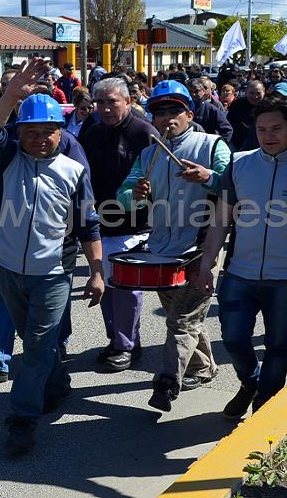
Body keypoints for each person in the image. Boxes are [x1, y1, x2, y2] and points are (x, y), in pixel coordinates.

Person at [0, 59, 104, 455]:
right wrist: (11, 95)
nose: (38, 139)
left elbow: (88, 225)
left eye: (47, 131)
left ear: (60, 132)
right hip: (7, 270)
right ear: (18, 135)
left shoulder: (73, 171)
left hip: (53, 274)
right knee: (34, 341)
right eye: (29, 132)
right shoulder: (5, 161)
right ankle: (57, 384)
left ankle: (22, 420)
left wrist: (97, 272)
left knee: (35, 346)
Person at [196, 97, 287, 418]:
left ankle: (265, 405)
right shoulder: (240, 163)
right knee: (232, 338)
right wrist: (207, 267)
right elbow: (220, 220)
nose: (268, 136)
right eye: (261, 129)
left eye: (276, 129)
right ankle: (251, 382)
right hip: (238, 276)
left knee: (278, 344)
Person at [117, 80, 232, 411]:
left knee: (182, 319)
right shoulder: (149, 153)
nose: (166, 118)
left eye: (173, 111)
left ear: (189, 113)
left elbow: (235, 187)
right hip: (161, 246)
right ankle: (203, 366)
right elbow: (123, 197)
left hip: (202, 244)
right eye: (159, 112)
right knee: (182, 315)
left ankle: (166, 383)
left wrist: (208, 177)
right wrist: (133, 196)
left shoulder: (213, 146)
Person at [81, 77, 158, 371]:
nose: (104, 108)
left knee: (126, 288)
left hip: (134, 227)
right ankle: (118, 340)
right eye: (99, 102)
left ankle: (126, 345)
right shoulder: (92, 130)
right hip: (99, 222)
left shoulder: (144, 133)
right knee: (105, 287)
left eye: (112, 101)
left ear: (127, 101)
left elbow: (157, 182)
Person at [227, 80, 265, 150]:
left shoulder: (268, 106)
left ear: (264, 92)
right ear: (246, 92)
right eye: (252, 93)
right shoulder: (237, 104)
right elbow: (229, 124)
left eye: (258, 93)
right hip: (237, 144)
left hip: (262, 145)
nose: (255, 96)